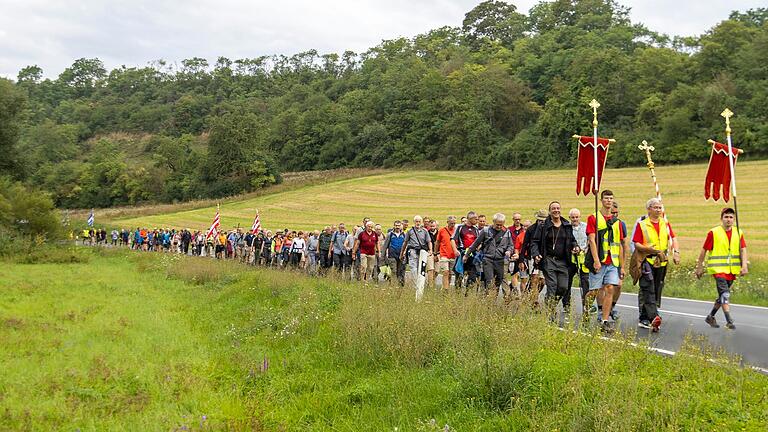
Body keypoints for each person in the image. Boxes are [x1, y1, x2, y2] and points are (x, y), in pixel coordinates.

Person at [630, 198, 680, 331]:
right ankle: (654, 317)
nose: (658, 210)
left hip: (662, 261)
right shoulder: (643, 224)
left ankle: (645, 317)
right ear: (649, 209)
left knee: (657, 288)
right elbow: (637, 243)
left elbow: (673, 238)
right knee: (648, 288)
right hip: (647, 260)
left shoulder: (665, 223)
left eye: (660, 208)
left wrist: (676, 252)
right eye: (655, 207)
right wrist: (650, 250)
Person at [695, 208, 747, 330]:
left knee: (722, 296)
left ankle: (710, 316)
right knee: (725, 294)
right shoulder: (713, 232)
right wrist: (699, 266)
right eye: (726, 217)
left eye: (731, 217)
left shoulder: (738, 232)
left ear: (734, 219)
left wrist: (744, 265)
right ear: (721, 218)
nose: (728, 219)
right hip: (718, 270)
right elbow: (704, 250)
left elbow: (743, 249)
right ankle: (729, 320)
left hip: (731, 270)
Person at [586, 190, 626, 334]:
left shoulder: (618, 223)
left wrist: (621, 266)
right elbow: (591, 239)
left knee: (610, 288)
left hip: (612, 262)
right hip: (599, 260)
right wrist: (596, 260)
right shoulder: (593, 218)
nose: (609, 201)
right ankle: (587, 310)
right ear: (601, 200)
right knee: (594, 291)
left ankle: (604, 320)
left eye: (611, 198)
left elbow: (619, 244)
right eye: (606, 198)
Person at [532, 202, 576, 322]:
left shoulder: (566, 225)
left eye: (558, 208)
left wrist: (575, 246)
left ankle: (550, 305)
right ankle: (550, 314)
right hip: (549, 260)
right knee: (552, 286)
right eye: (553, 209)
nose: (556, 210)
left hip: (563, 261)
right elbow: (535, 241)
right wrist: (536, 254)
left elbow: (572, 240)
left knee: (563, 287)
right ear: (550, 211)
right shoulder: (543, 226)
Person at [465, 213, 513, 297]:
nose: (499, 227)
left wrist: (509, 251)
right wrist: (467, 255)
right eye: (497, 224)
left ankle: (493, 298)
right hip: (488, 259)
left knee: (498, 281)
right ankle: (488, 299)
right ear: (493, 222)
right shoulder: (486, 231)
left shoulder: (507, 232)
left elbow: (511, 245)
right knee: (489, 280)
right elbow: (476, 243)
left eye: (501, 225)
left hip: (501, 260)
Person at [568, 209, 590, 314]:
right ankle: (566, 304)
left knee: (585, 282)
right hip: (570, 259)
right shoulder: (567, 228)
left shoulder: (586, 226)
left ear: (580, 217)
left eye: (577, 217)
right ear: (570, 218)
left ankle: (587, 304)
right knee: (567, 282)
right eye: (573, 217)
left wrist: (585, 249)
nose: (575, 219)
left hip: (583, 259)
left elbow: (590, 240)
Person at [400, 215, 432, 287]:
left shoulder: (425, 231)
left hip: (422, 252)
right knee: (413, 268)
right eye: (416, 221)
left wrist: (430, 250)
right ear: (414, 222)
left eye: (419, 221)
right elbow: (405, 243)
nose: (418, 223)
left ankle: (421, 284)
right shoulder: (410, 231)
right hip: (413, 251)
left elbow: (429, 241)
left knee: (420, 268)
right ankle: (416, 285)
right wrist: (402, 253)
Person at [435, 216, 457, 291]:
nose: (453, 225)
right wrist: (435, 253)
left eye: (454, 223)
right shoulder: (442, 230)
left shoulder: (457, 230)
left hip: (453, 255)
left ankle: (445, 287)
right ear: (447, 222)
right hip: (444, 254)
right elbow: (437, 242)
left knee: (450, 274)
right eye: (451, 223)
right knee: (445, 272)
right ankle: (446, 289)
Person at [383, 220, 407, 286]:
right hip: (392, 255)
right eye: (396, 225)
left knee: (400, 271)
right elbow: (385, 246)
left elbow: (406, 245)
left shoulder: (404, 235)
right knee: (393, 270)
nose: (397, 227)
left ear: (401, 226)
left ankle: (400, 285)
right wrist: (383, 256)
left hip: (401, 256)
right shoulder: (390, 234)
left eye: (398, 225)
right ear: (394, 226)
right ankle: (393, 285)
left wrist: (405, 254)